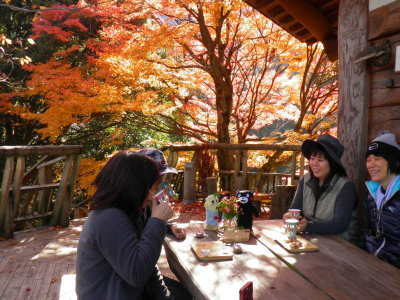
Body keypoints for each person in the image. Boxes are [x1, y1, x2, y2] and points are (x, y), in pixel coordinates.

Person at [76, 150, 191, 300]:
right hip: (111, 293)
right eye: (151, 187)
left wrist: (163, 225)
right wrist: (157, 221)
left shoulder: (129, 211)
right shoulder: (108, 218)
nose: (152, 195)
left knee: (185, 293)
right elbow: (137, 273)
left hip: (126, 288)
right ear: (133, 186)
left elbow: (147, 264)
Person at [283, 134, 358, 239]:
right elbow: (295, 209)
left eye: (320, 160)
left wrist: (308, 226)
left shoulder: (345, 187)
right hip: (312, 239)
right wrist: (289, 216)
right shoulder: (305, 180)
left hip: (339, 245)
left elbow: (339, 225)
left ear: (332, 164)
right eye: (312, 158)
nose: (314, 163)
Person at [364, 131, 400, 268]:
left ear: (392, 161)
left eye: (377, 158)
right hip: (374, 264)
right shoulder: (372, 194)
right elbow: (368, 234)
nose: (371, 164)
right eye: (368, 160)